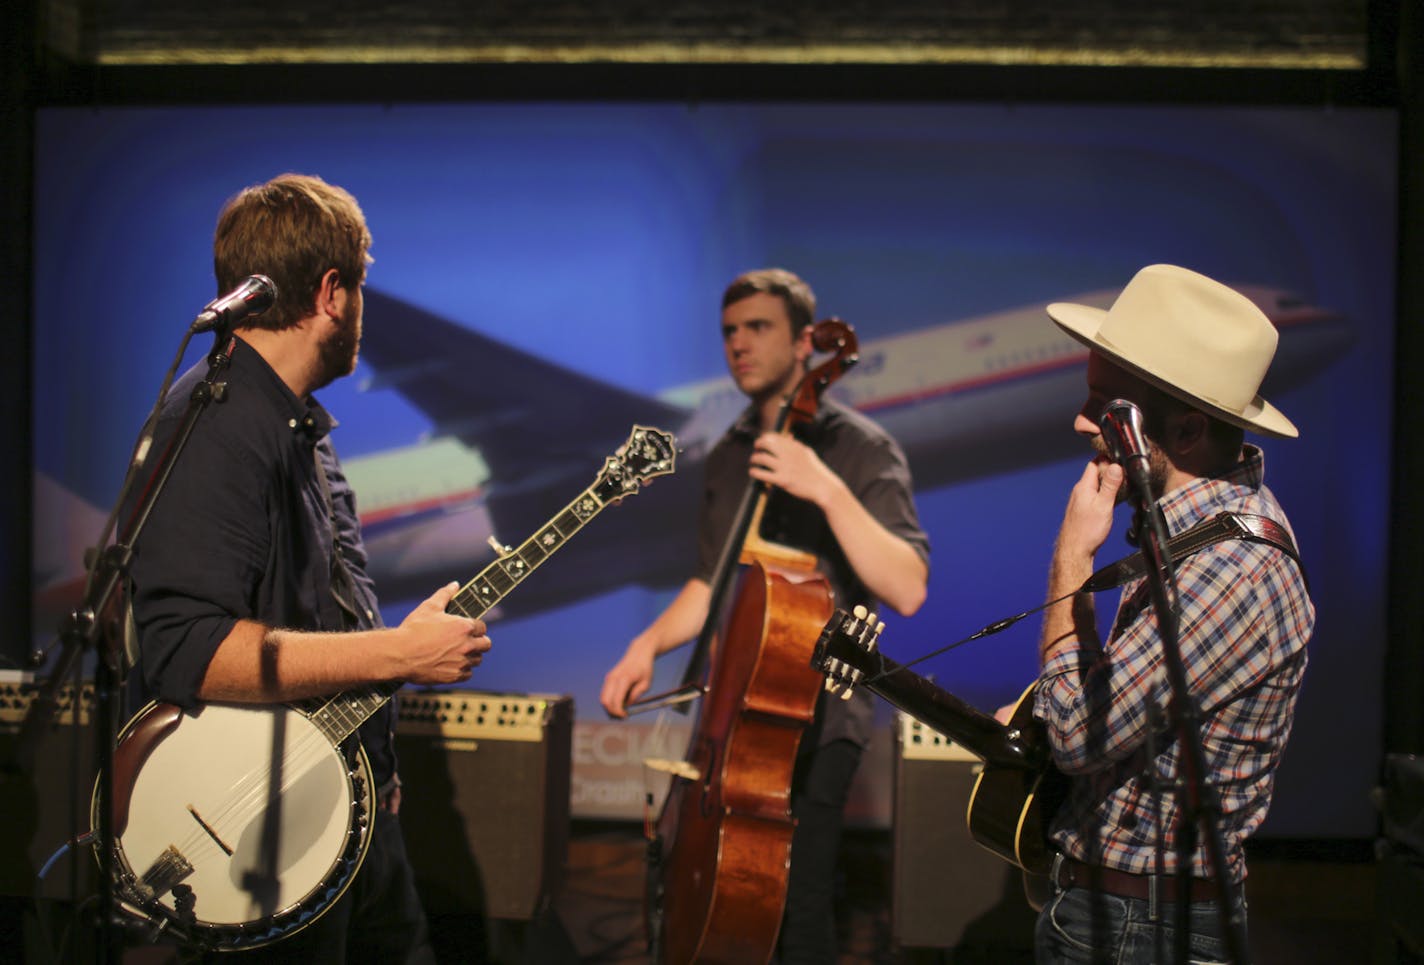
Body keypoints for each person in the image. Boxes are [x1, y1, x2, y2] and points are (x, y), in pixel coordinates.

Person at [126, 173, 490, 962]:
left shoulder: (301, 431)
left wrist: (378, 767)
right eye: (362, 284)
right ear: (332, 292)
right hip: (262, 841)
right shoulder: (215, 426)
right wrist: (401, 652)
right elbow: (185, 648)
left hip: (350, 814)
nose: (364, 307)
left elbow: (327, 615)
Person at [600, 267, 930, 962]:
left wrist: (827, 490)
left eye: (758, 328)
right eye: (728, 332)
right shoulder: (730, 453)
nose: (739, 344)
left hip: (815, 719)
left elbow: (907, 587)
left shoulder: (859, 448)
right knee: (702, 897)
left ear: (808, 341)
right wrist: (645, 644)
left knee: (797, 907)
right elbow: (712, 582)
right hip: (729, 712)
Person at [1031, 264, 1315, 963]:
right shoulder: (1190, 535)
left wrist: (1071, 557)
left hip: (1137, 929)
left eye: (1104, 406)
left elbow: (1075, 731)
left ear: (1185, 431)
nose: (1079, 421)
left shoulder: (1228, 569)